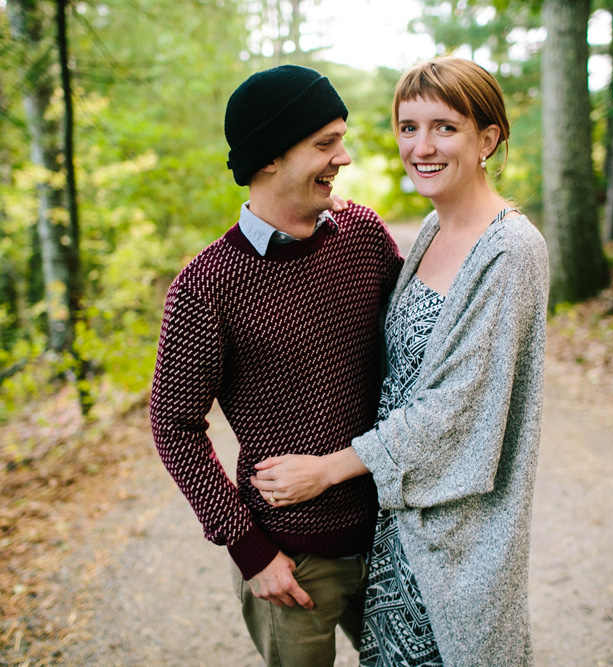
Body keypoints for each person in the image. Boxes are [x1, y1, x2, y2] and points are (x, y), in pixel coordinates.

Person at [250, 57, 549, 667]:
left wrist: (329, 470)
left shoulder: (511, 250)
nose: (422, 146)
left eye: (445, 127)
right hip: (398, 532)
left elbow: (456, 409)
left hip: (460, 540)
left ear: (488, 139)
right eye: (408, 127)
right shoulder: (430, 236)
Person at [149, 64, 402, 667]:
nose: (344, 157)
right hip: (294, 564)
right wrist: (248, 549)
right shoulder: (208, 284)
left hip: (397, 538)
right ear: (268, 157)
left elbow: (418, 346)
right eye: (325, 143)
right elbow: (173, 424)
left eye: (342, 138)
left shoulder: (365, 235)